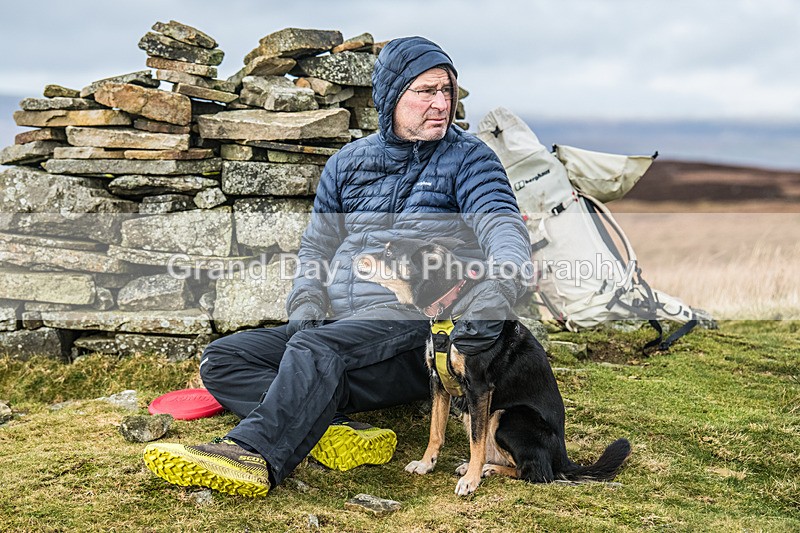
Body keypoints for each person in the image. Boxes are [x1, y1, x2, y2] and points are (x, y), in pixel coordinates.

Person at [142, 36, 532, 497]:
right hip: (339, 332)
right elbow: (316, 248)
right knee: (224, 358)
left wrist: (501, 287)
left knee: (312, 350)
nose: (440, 103)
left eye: (446, 91)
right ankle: (330, 425)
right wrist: (306, 303)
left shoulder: (469, 160)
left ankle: (253, 454)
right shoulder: (348, 163)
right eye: (425, 91)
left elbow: (503, 228)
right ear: (390, 95)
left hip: (418, 330)